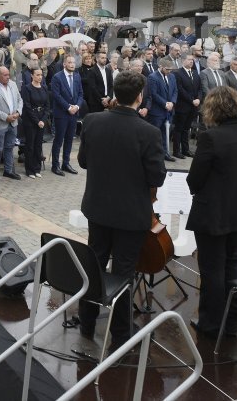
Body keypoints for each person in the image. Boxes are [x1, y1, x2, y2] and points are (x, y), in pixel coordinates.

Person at [77, 72, 166, 348]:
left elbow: (83, 162)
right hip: (130, 215)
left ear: (115, 92)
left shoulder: (92, 121)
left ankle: (87, 322)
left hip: (98, 209)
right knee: (124, 272)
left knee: (94, 265)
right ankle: (120, 333)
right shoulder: (149, 132)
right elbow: (157, 177)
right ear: (139, 96)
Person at [186, 86, 237, 337]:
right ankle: (232, 319)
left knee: (212, 268)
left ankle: (211, 323)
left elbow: (194, 180)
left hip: (213, 214)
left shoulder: (211, 137)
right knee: (231, 262)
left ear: (213, 109)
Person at [50, 54, 85, 176]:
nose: (72, 64)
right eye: (69, 62)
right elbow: (56, 95)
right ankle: (55, 165)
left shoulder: (77, 76)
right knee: (59, 140)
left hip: (74, 113)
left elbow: (80, 94)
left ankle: (66, 163)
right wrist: (68, 107)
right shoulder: (57, 77)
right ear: (64, 64)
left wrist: (77, 106)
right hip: (61, 113)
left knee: (70, 139)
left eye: (73, 62)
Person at [0, 66, 23, 181]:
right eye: (5, 75)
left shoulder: (13, 84)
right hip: (0, 124)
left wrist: (18, 112)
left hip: (13, 122)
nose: (8, 77)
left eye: (8, 74)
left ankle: (8, 171)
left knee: (9, 147)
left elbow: (20, 100)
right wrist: (6, 117)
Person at [146, 57, 178, 161]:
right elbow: (153, 94)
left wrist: (172, 102)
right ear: (161, 67)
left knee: (165, 133)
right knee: (155, 134)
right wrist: (165, 104)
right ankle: (153, 155)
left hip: (169, 111)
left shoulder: (172, 76)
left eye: (170, 69)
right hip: (157, 111)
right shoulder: (152, 77)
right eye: (167, 69)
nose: (169, 71)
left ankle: (165, 153)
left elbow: (175, 91)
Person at [21, 67, 49, 179]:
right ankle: (30, 170)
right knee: (30, 145)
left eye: (41, 75)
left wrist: (43, 120)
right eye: (37, 75)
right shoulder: (27, 88)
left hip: (41, 120)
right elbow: (27, 106)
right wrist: (37, 121)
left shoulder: (44, 88)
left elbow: (47, 106)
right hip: (30, 120)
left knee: (38, 145)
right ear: (32, 76)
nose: (40, 77)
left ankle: (37, 168)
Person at [173, 56, 201, 158]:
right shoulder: (177, 73)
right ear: (183, 61)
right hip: (182, 106)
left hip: (193, 107)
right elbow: (180, 89)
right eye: (189, 59)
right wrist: (191, 100)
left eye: (192, 60)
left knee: (186, 129)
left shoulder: (195, 73)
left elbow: (199, 88)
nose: (191, 61)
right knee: (179, 129)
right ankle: (176, 151)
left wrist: (198, 99)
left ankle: (186, 150)